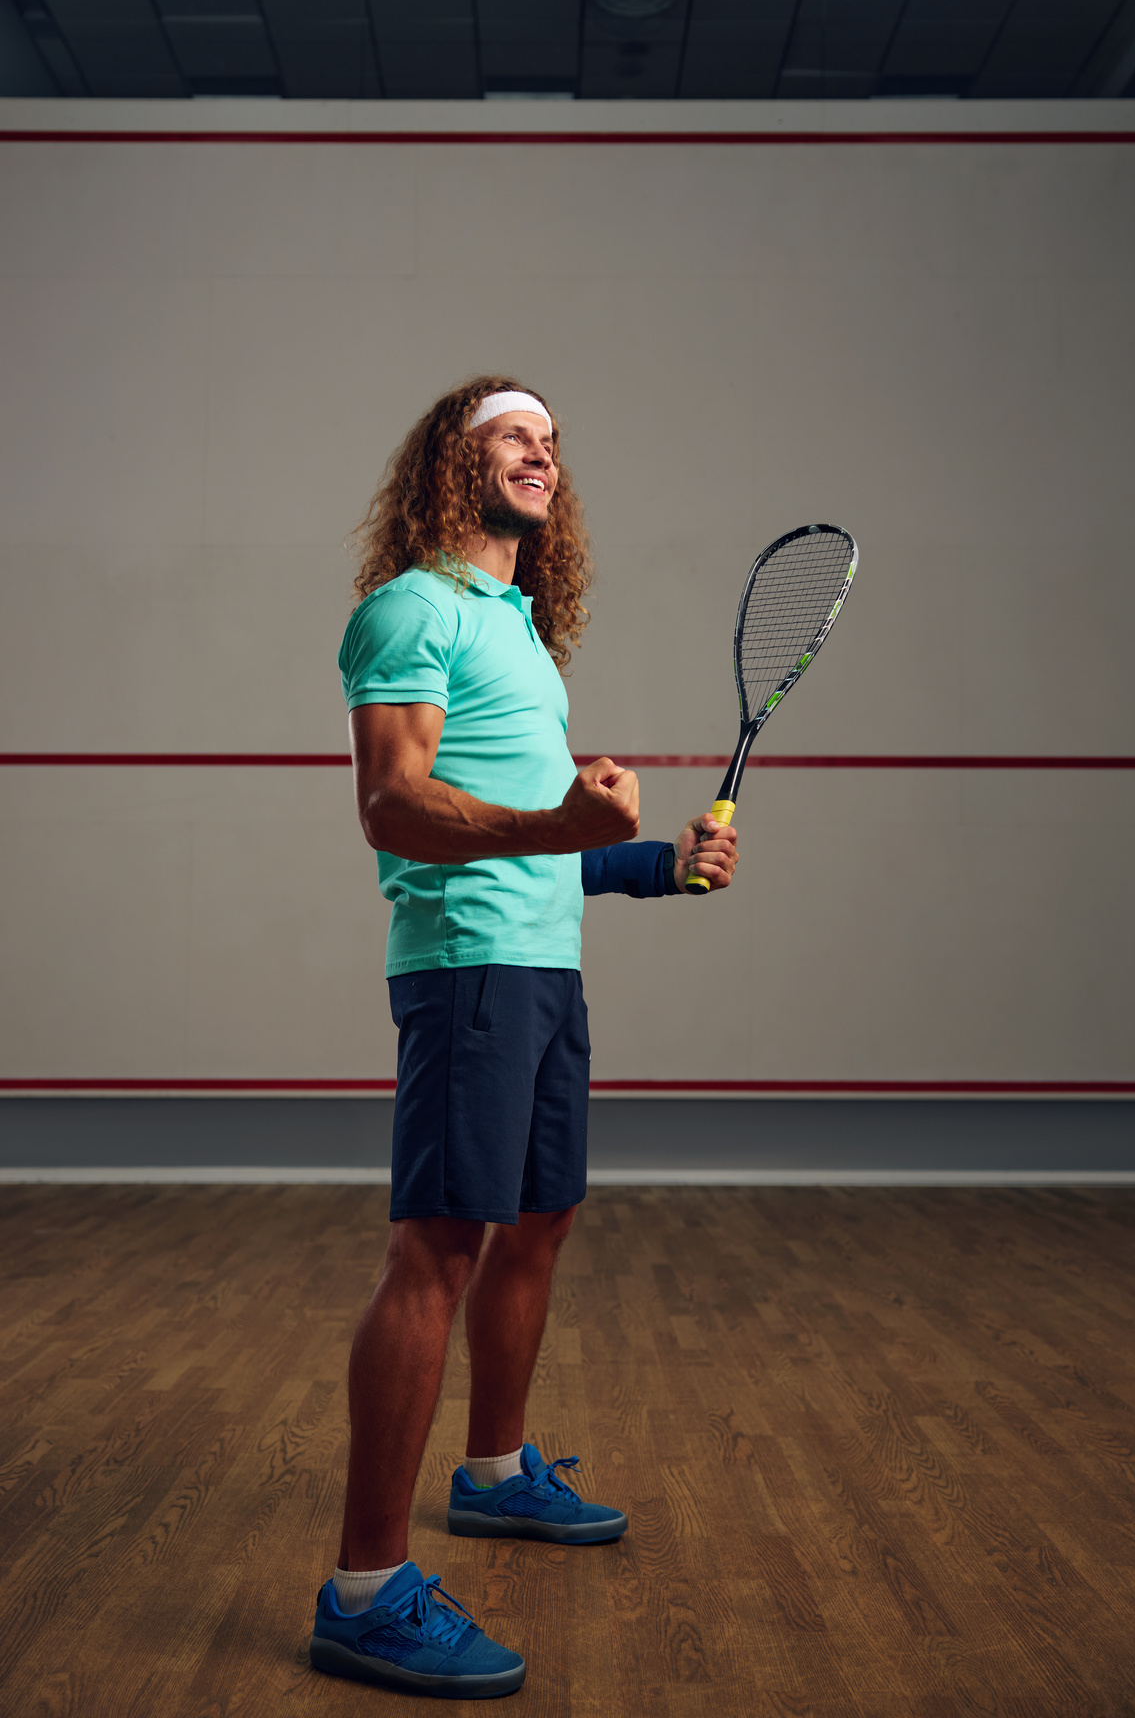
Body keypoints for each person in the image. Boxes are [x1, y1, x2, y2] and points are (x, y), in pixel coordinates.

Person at [309, 376, 738, 1698]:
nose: (539, 453)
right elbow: (392, 805)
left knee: (540, 1218)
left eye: (550, 440)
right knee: (437, 1247)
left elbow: (556, 856)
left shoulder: (527, 642)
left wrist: (659, 862)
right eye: (513, 431)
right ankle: (366, 1592)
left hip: (546, 970)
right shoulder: (412, 609)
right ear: (454, 456)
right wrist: (565, 827)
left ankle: (493, 1474)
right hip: (468, 975)